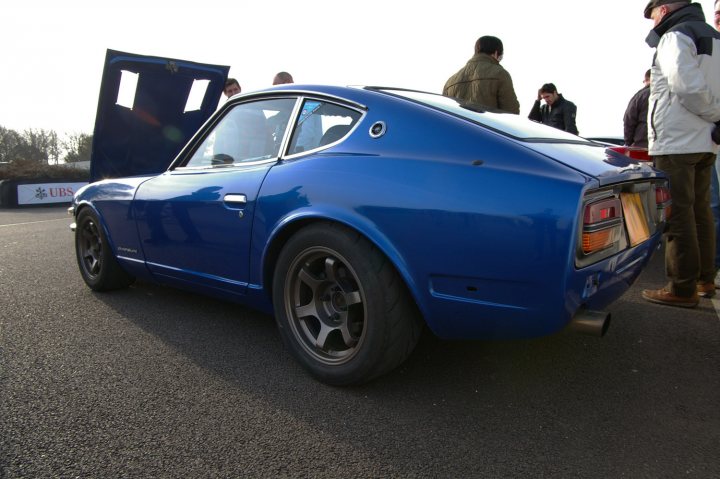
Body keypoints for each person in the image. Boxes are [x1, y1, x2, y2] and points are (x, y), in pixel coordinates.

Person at [640, 0, 720, 308]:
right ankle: (704, 279)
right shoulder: (712, 36)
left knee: (678, 214)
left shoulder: (675, 36)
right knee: (701, 212)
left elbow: (684, 86)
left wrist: (715, 113)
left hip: (677, 140)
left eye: (654, 13)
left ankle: (682, 287)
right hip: (705, 142)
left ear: (665, 9)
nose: (653, 21)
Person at [442, 36, 520, 114]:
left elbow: (444, 113)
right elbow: (512, 113)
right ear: (496, 53)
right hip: (487, 125)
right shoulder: (500, 74)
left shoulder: (450, 82)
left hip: (458, 126)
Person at [623, 69, 651, 148]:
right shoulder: (673, 93)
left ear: (647, 80)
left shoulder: (641, 95)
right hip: (671, 146)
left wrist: (628, 142)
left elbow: (629, 120)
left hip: (643, 144)